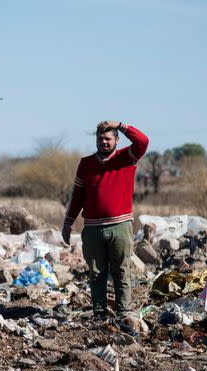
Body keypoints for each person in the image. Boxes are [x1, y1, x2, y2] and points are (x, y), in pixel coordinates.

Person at [62, 120, 149, 319]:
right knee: (96, 273)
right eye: (100, 139)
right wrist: (68, 222)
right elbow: (77, 196)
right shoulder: (86, 164)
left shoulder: (127, 157)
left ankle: (123, 312)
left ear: (117, 140)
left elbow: (143, 141)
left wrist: (121, 125)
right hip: (93, 229)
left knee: (121, 271)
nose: (104, 142)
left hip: (120, 226)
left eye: (108, 138)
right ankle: (99, 313)